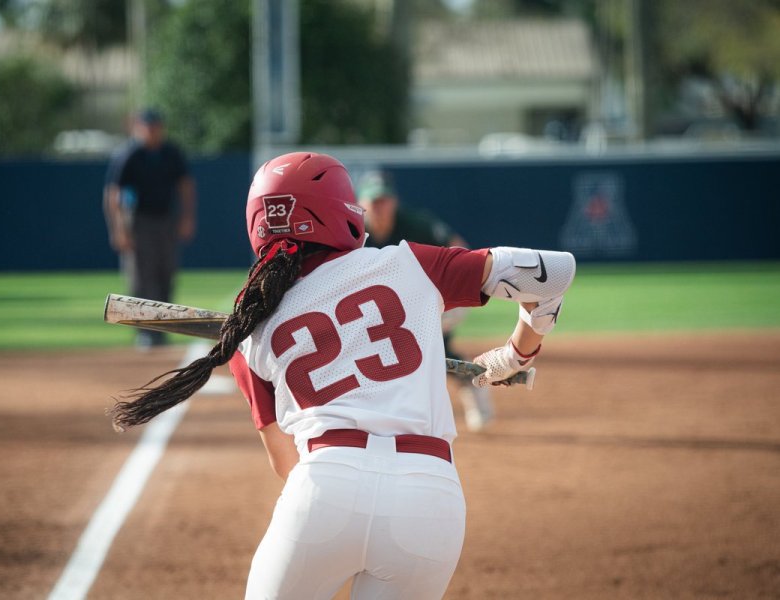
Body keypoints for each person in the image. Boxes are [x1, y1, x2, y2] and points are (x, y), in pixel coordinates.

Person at [108, 152, 575, 599]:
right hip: (431, 497)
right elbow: (553, 274)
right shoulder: (411, 263)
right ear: (342, 211)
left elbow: (282, 460)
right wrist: (517, 355)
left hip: (325, 484)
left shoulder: (249, 321)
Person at [357, 169, 494, 432]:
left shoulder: (415, 224)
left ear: (394, 201)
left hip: (430, 299)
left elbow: (460, 250)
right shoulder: (353, 233)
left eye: (384, 200)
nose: (379, 207)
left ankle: (470, 382)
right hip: (383, 307)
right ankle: (472, 377)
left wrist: (452, 293)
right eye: (374, 201)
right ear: (361, 204)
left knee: (422, 351)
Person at [103, 108, 197, 350]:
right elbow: (113, 194)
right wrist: (118, 229)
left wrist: (187, 217)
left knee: (166, 273)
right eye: (148, 127)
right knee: (142, 277)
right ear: (139, 127)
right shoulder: (130, 154)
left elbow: (185, 185)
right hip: (138, 221)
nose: (153, 131)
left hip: (166, 219)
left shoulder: (171, 152)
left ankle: (163, 328)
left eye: (156, 126)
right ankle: (144, 332)